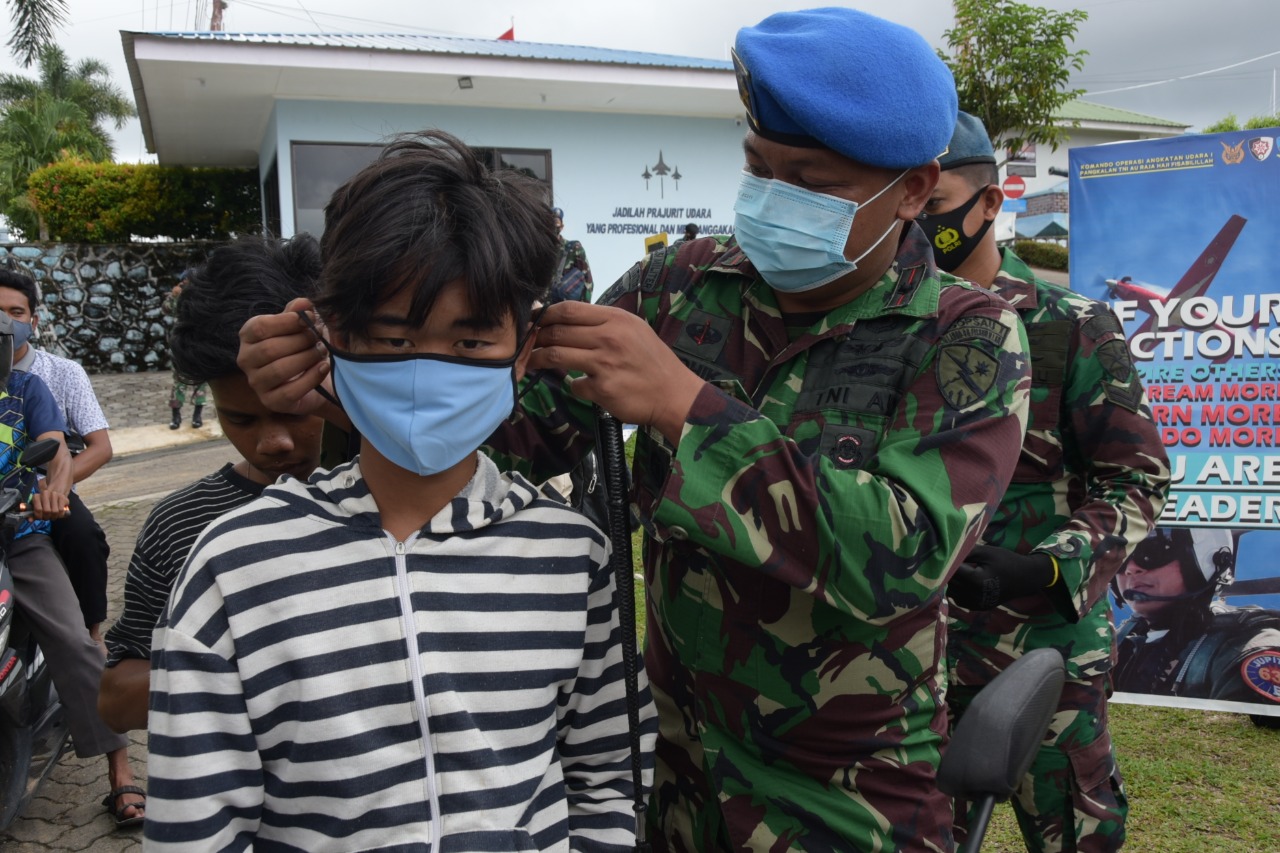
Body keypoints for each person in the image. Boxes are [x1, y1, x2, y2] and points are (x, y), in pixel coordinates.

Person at [237, 10, 1032, 850]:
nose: (772, 198)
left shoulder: (968, 335)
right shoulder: (676, 286)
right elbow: (517, 434)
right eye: (759, 168)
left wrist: (688, 408)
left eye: (811, 181)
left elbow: (903, 559)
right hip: (670, 779)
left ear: (913, 188)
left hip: (845, 799)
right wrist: (349, 381)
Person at [147, 131, 655, 851]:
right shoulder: (235, 566)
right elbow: (194, 826)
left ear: (525, 351)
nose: (427, 371)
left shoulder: (573, 556)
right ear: (328, 335)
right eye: (392, 341)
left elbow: (606, 772)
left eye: (471, 343)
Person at [925, 112, 1171, 853]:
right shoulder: (884, 324)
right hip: (906, 650)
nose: (920, 228)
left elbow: (1137, 479)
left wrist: (1046, 563)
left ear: (990, 203)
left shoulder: (1070, 326)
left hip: (1041, 647)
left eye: (935, 209)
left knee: (1073, 833)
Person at [96, 235, 325, 734]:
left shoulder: (404, 499)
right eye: (240, 419)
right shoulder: (182, 524)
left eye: (297, 411)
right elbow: (117, 699)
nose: (274, 443)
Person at [0, 312, 144, 828]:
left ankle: (120, 771)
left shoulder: (27, 387)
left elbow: (57, 449)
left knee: (75, 639)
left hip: (17, 535)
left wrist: (54, 489)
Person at [0, 264, 113, 643]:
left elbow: (100, 447)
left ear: (33, 320)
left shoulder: (62, 373)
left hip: (44, 491)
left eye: (16, 313)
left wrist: (54, 488)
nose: (6, 321)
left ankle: (92, 634)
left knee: (82, 535)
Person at [1114, 528, 1280, 721]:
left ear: (1207, 560)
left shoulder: (1248, 643)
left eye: (1153, 551)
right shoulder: (1121, 637)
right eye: (1120, 556)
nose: (1131, 568)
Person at [163, 269, 207, 429]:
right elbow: (167, 309)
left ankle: (197, 416)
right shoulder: (177, 295)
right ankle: (176, 416)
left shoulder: (203, 294)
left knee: (201, 382)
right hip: (181, 345)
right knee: (179, 381)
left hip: (199, 343)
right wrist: (175, 296)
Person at [549, 205, 593, 303]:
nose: (552, 226)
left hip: (565, 309)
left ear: (562, 226)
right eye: (549, 222)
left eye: (556, 222)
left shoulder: (573, 248)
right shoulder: (538, 250)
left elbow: (587, 281)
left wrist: (583, 310)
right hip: (541, 310)